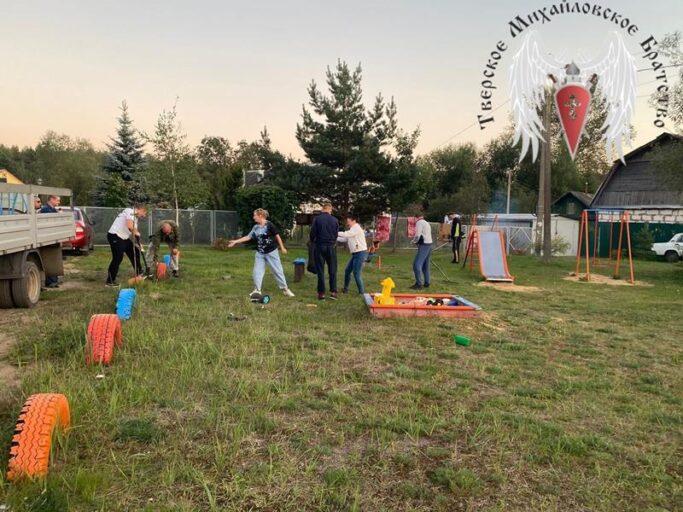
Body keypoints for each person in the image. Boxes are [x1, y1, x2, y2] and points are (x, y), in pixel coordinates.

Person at [228, 208, 295, 298]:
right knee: (257, 271)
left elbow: (277, 236)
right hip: (260, 253)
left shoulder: (269, 225)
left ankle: (285, 289)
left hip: (271, 252)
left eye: (254, 215)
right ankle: (257, 290)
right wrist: (236, 241)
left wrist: (282, 247)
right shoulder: (255, 227)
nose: (253, 217)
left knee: (278, 271)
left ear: (260, 216)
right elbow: (248, 237)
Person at [106, 205, 148, 287]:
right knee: (118, 258)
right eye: (144, 213)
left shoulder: (135, 219)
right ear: (141, 209)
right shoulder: (130, 211)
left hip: (123, 238)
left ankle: (140, 274)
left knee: (135, 251)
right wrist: (136, 233)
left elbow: (133, 232)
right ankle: (110, 281)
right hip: (115, 235)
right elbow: (130, 226)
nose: (144, 216)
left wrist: (138, 244)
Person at [309, 202, 338, 300]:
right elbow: (336, 234)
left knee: (320, 270)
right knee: (332, 269)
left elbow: (312, 233)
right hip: (331, 246)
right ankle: (333, 292)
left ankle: (321, 293)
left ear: (323, 209)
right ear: (330, 210)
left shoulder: (317, 219)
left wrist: (313, 241)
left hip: (320, 245)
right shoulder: (335, 220)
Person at [337, 213, 368, 294]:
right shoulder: (352, 230)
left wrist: (334, 232)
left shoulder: (356, 228)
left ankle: (362, 292)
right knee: (347, 271)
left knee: (356, 273)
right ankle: (345, 289)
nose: (347, 223)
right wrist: (334, 237)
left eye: (348, 221)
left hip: (360, 253)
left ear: (354, 221)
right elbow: (345, 239)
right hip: (355, 254)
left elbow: (347, 234)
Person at [39, 195, 61, 288]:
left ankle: (54, 280)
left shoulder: (52, 209)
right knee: (49, 258)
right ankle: (50, 281)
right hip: (48, 238)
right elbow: (51, 221)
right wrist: (58, 215)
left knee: (54, 258)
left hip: (53, 238)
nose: (59, 202)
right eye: (57, 200)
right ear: (51, 199)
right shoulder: (45, 209)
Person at [411, 212, 433, 290]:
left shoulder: (419, 223)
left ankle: (418, 284)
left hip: (424, 245)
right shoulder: (426, 222)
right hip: (429, 244)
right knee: (425, 265)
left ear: (415, 217)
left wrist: (413, 241)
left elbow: (418, 235)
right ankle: (427, 282)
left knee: (416, 264)